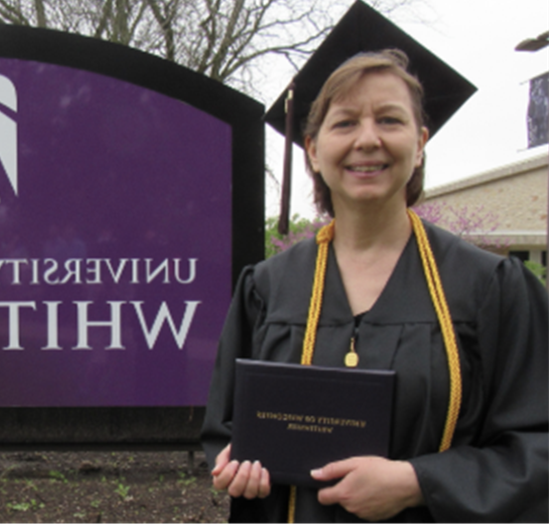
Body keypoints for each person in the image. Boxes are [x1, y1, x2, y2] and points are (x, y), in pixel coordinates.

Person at [201, 48, 549, 523]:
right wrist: (234, 464)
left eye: (389, 120)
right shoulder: (267, 289)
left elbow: (537, 446)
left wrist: (419, 482)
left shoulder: (489, 288)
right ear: (314, 150)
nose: (368, 140)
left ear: (420, 142)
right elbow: (229, 429)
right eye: (345, 123)